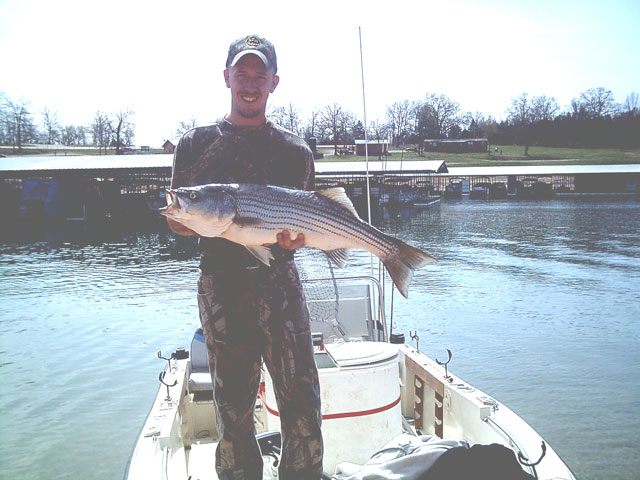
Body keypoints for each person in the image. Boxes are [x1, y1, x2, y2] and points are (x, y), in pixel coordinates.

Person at [167, 34, 323, 480]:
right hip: (222, 286)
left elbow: (306, 220)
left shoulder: (295, 150)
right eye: (242, 74)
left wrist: (295, 240)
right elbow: (178, 221)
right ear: (226, 78)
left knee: (302, 401)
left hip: (281, 282)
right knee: (233, 408)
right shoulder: (195, 143)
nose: (250, 84)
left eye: (259, 75)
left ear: (274, 82)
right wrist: (195, 219)